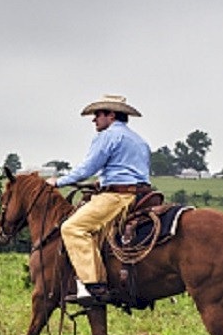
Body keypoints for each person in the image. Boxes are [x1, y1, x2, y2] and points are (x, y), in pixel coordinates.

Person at [52, 94, 152, 304]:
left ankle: (93, 285)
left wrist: (57, 182)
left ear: (111, 115)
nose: (94, 119)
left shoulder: (107, 136)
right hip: (140, 194)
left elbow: (87, 169)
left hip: (117, 197)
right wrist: (102, 181)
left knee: (72, 228)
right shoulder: (140, 140)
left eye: (98, 114)